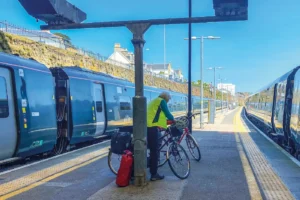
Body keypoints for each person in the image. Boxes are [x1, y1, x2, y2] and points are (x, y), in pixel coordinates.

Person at [147, 92, 174, 181]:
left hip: (147, 126)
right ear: (166, 98)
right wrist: (173, 120)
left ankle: (150, 166)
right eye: (168, 99)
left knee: (152, 148)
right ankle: (154, 174)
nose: (168, 101)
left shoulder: (154, 100)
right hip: (151, 127)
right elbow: (167, 113)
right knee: (154, 150)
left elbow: (157, 115)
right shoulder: (162, 101)